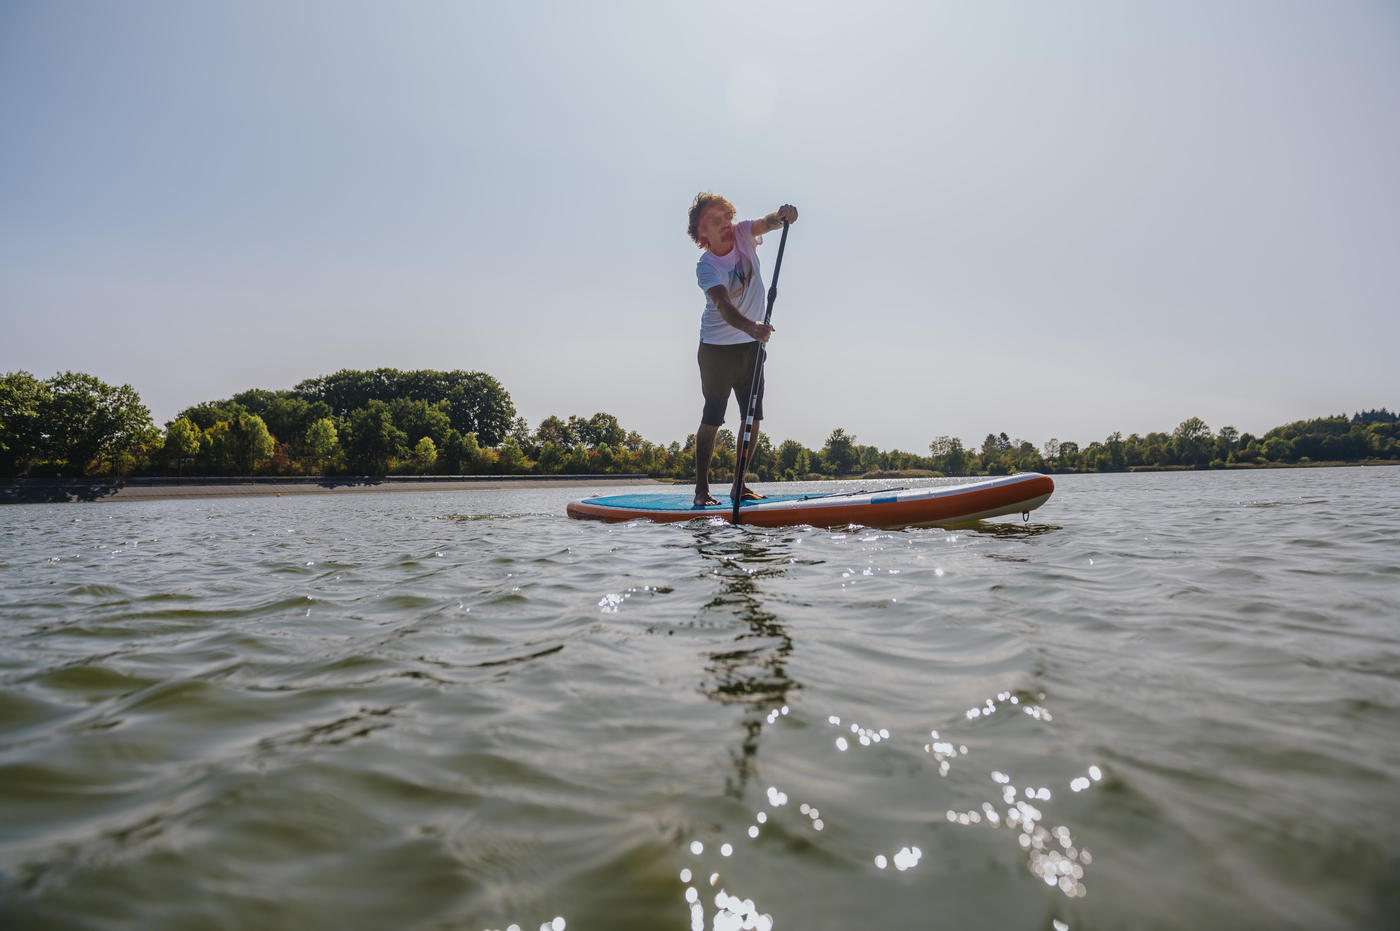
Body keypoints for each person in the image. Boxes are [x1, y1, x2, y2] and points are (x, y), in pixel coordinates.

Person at [686, 193, 799, 507]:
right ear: (702, 233)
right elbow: (723, 305)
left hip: (751, 348)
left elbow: (768, 222)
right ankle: (701, 490)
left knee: (752, 417)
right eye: (715, 220)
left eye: (727, 216)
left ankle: (739, 485)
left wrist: (783, 215)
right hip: (716, 350)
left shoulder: (743, 234)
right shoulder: (707, 266)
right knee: (712, 417)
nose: (725, 223)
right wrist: (751, 327)